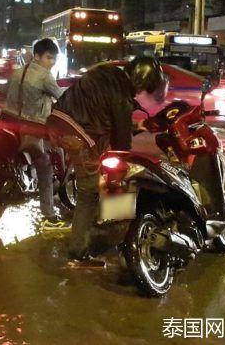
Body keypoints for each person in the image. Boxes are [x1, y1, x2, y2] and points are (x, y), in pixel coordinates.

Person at [47, 56, 168, 264]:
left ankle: (95, 231)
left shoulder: (108, 75)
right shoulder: (121, 94)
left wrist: (137, 128)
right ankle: (79, 251)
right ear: (142, 82)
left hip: (60, 123)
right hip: (78, 134)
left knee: (97, 179)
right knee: (90, 193)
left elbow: (103, 114)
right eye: (144, 88)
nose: (141, 93)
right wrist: (124, 169)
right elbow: (121, 141)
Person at [0, 38, 65, 227]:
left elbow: (3, 90)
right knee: (46, 167)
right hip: (30, 127)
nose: (51, 62)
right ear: (37, 56)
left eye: (54, 59)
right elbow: (61, 97)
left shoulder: (18, 71)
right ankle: (49, 213)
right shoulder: (45, 76)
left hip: (7, 121)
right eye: (48, 58)